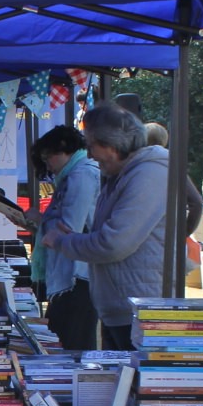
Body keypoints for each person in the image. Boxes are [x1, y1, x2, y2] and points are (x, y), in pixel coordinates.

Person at [40, 103, 168, 351]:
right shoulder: (122, 173)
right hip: (121, 306)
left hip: (140, 309)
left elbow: (112, 243)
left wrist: (62, 241)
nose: (89, 155)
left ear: (112, 145)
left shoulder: (149, 173)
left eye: (91, 146)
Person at [26, 125, 101, 351]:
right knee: (65, 339)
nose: (48, 166)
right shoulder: (74, 175)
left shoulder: (82, 175)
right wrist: (37, 224)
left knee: (70, 344)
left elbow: (70, 226)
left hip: (77, 276)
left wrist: (42, 223)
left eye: (48, 159)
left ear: (63, 150)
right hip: (72, 276)